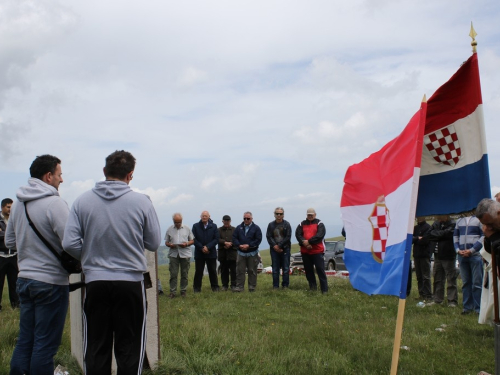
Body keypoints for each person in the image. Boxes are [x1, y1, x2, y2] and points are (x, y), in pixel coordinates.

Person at [63, 150, 161, 374]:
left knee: (97, 345)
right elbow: (154, 242)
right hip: (130, 282)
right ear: (130, 175)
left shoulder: (82, 200)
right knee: (130, 345)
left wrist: (89, 256)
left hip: (96, 280)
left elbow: (69, 243)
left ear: (104, 171)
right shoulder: (142, 202)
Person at [5, 155, 69, 375]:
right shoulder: (55, 203)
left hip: (24, 279)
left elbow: (10, 241)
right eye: (59, 175)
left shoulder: (19, 203)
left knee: (25, 339)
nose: (62, 179)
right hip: (51, 281)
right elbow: (71, 243)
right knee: (45, 344)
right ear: (48, 176)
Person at [453, 215, 484, 314]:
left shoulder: (479, 220)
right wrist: (458, 250)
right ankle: (467, 307)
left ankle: (478, 308)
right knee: (466, 282)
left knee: (477, 283)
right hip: (462, 255)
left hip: (475, 255)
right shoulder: (459, 221)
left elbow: (483, 236)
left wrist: (472, 250)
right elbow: (455, 236)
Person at [425, 215, 458, 307]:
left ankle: (452, 300)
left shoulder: (452, 224)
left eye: (440, 217)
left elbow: (447, 234)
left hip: (448, 254)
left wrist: (437, 234)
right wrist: (440, 234)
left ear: (446, 216)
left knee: (450, 278)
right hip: (437, 255)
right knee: (437, 278)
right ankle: (437, 299)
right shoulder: (436, 223)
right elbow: (428, 234)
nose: (438, 219)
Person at [295, 208, 328, 293]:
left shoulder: (320, 224)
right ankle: (313, 288)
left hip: (317, 251)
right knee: (309, 271)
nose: (310, 216)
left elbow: (320, 235)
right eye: (308, 215)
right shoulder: (301, 224)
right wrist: (304, 243)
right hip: (305, 252)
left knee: (320, 270)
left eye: (311, 215)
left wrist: (309, 242)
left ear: (315, 214)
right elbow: (298, 235)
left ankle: (324, 289)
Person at [164, 213, 194, 298]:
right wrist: (170, 245)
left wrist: (186, 244)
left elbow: (192, 240)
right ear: (173, 221)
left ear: (181, 221)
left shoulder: (187, 228)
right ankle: (172, 292)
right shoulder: (169, 229)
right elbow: (166, 242)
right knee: (173, 274)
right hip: (174, 254)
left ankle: (183, 291)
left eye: (179, 222)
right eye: (176, 222)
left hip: (185, 254)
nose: (177, 224)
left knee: (184, 273)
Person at [233, 211, 262, 292]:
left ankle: (252, 287)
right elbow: (234, 238)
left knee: (252, 270)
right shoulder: (238, 228)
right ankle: (239, 287)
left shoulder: (256, 228)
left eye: (248, 218)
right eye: (244, 218)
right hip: (240, 253)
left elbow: (258, 239)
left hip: (252, 253)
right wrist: (239, 245)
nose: (246, 220)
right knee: (240, 271)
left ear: (251, 219)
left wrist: (249, 245)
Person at [192, 211, 220, 292]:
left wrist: (208, 247)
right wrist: (202, 248)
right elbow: (194, 239)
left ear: (209, 217)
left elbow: (216, 239)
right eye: (203, 216)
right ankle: (197, 289)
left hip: (211, 253)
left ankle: (215, 288)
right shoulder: (196, 226)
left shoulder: (214, 226)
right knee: (199, 271)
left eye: (206, 216)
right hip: (199, 253)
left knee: (212, 271)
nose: (204, 217)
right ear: (200, 216)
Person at [266, 207, 292, 289]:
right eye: (277, 213)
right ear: (274, 214)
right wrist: (275, 246)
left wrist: (280, 246)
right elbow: (269, 236)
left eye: (280, 214)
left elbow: (288, 237)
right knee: (275, 268)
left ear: (283, 215)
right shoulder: (271, 225)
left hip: (285, 248)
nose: (279, 215)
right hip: (274, 249)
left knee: (285, 268)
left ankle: (285, 285)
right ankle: (275, 286)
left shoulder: (287, 224)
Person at [0, 198, 19, 311]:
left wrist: (3, 233)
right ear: (2, 207)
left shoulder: (15, 219)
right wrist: (9, 235)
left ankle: (16, 305)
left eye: (12, 207)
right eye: (8, 207)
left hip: (13, 256)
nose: (10, 209)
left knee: (14, 282)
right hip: (1, 256)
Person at [412, 217, 432, 301]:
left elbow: (425, 241)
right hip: (416, 255)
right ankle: (421, 293)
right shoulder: (415, 228)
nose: (419, 219)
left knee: (426, 276)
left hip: (424, 255)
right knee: (419, 276)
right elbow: (410, 239)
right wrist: (417, 238)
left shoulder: (428, 227)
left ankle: (428, 294)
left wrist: (417, 239)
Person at [218, 215, 237, 291]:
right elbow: (217, 239)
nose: (226, 222)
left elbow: (236, 238)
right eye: (225, 220)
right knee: (224, 270)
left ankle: (233, 285)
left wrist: (230, 244)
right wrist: (225, 243)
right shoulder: (219, 230)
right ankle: (224, 285)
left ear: (230, 221)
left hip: (232, 253)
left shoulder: (234, 229)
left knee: (233, 270)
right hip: (223, 253)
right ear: (222, 221)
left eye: (228, 220)